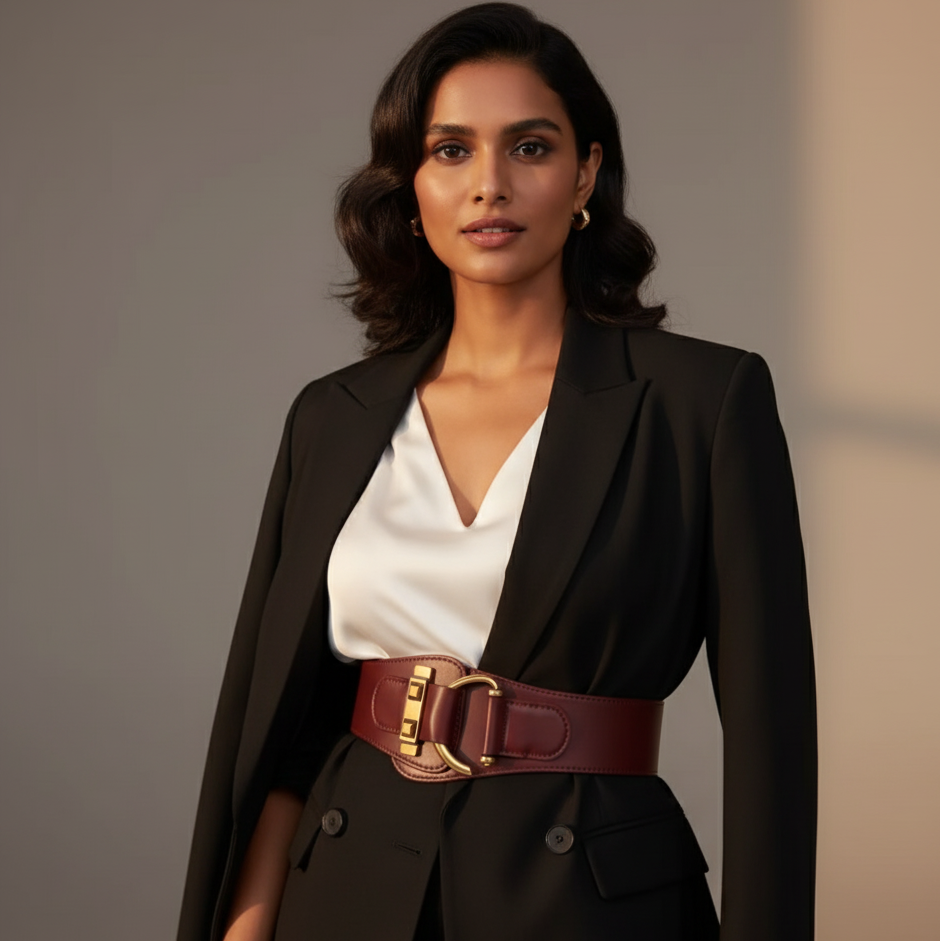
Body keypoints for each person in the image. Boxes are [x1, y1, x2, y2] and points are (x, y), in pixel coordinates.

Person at [176, 4, 817, 940]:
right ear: (410, 185)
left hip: (591, 903)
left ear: (586, 171)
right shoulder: (334, 414)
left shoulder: (701, 401)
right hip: (346, 885)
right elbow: (286, 718)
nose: (489, 186)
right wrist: (246, 922)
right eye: (450, 151)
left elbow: (772, 746)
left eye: (528, 147)